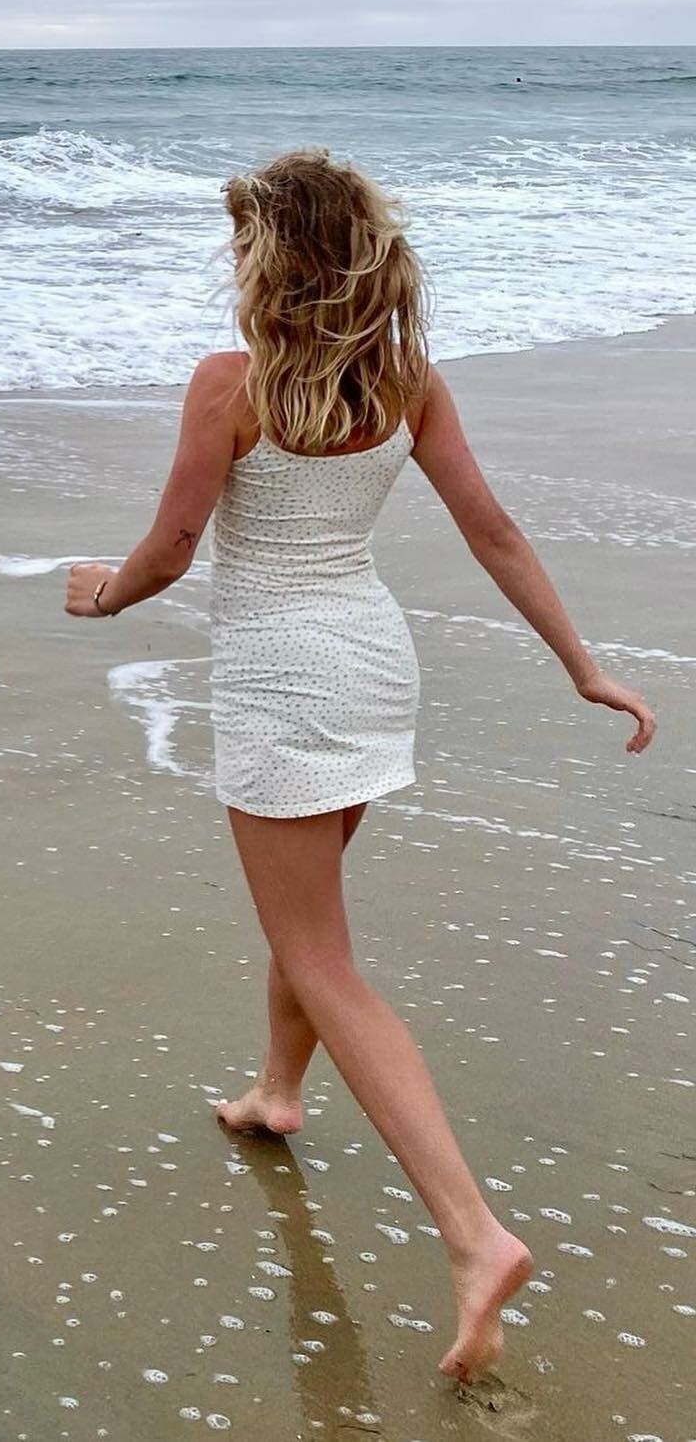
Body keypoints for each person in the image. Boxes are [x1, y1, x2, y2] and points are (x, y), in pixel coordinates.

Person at [64, 147, 656, 1383]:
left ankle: (476, 1236)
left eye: (244, 240)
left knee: (323, 955)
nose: (232, 258)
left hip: (283, 680)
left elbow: (172, 549)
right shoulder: (407, 381)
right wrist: (582, 663)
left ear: (276, 258)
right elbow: (494, 530)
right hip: (376, 665)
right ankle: (275, 1093)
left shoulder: (230, 383)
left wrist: (102, 595)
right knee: (310, 915)